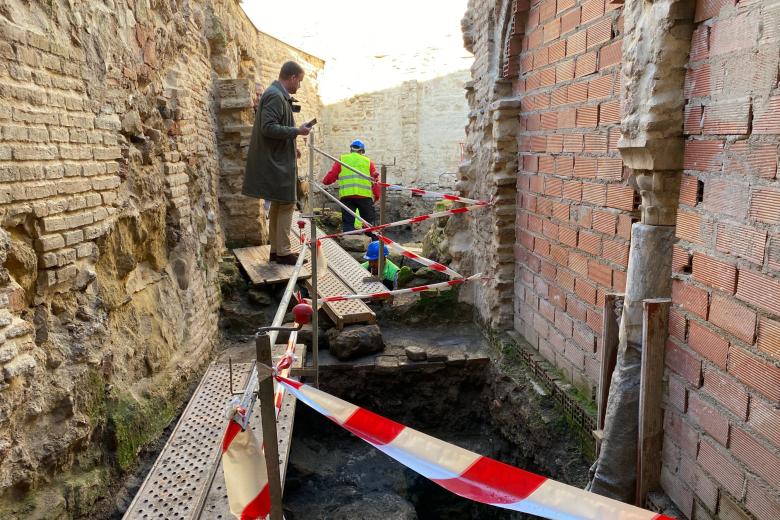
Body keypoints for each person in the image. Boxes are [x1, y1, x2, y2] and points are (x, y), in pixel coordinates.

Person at [243, 61, 313, 265]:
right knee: (287, 203)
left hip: (277, 158)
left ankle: (275, 250)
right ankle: (283, 251)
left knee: (278, 203)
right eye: (299, 81)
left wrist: (292, 145)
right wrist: (297, 132)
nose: (299, 86)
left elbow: (274, 129)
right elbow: (268, 128)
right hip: (275, 162)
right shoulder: (275, 96)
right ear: (291, 78)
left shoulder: (276, 94)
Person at [322, 139, 380, 232]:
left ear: (351, 150)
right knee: (368, 224)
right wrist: (377, 196)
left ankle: (349, 243)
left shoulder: (343, 159)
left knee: (348, 223)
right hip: (364, 197)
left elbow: (332, 175)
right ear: (362, 151)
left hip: (347, 197)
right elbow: (375, 181)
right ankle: (372, 243)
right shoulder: (368, 162)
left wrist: (325, 181)